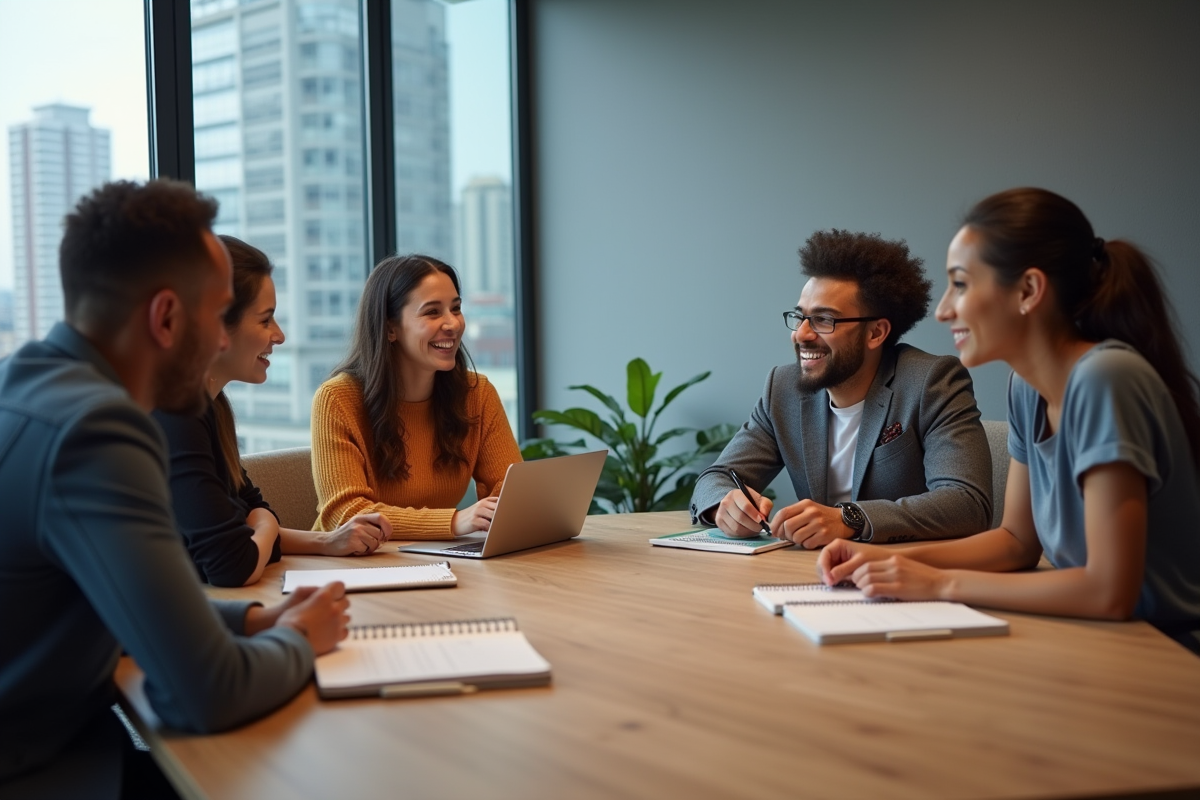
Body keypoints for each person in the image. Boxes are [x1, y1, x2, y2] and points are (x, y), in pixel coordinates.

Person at [0, 180, 349, 798]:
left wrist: (254, 619)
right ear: (165, 318)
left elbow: (118, 596)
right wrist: (299, 638)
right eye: (220, 316)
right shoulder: (97, 432)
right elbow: (204, 694)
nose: (226, 341)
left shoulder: (21, 386)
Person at [817, 188, 1200, 651]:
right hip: (1098, 642)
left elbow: (1109, 591)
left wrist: (938, 584)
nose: (943, 310)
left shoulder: (1105, 378)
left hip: (1167, 653)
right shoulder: (1027, 388)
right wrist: (877, 557)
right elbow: (1017, 542)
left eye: (960, 284)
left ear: (1028, 290)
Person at [690, 229, 992, 547]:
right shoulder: (783, 389)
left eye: (823, 320)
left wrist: (850, 518)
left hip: (906, 575)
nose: (802, 334)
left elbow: (967, 503)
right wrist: (724, 505)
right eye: (800, 317)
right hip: (814, 574)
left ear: (876, 332)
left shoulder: (931, 382)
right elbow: (715, 478)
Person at [154, 236, 392, 587]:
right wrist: (263, 525)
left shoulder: (212, 408)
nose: (279, 336)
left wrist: (328, 541)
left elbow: (252, 511)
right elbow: (233, 565)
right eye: (265, 320)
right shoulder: (175, 414)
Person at [311, 254, 522, 539]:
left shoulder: (477, 394)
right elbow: (347, 514)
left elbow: (510, 491)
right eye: (432, 312)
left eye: (456, 308)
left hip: (436, 561)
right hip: (350, 566)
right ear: (390, 328)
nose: (453, 324)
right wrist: (453, 522)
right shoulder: (337, 400)